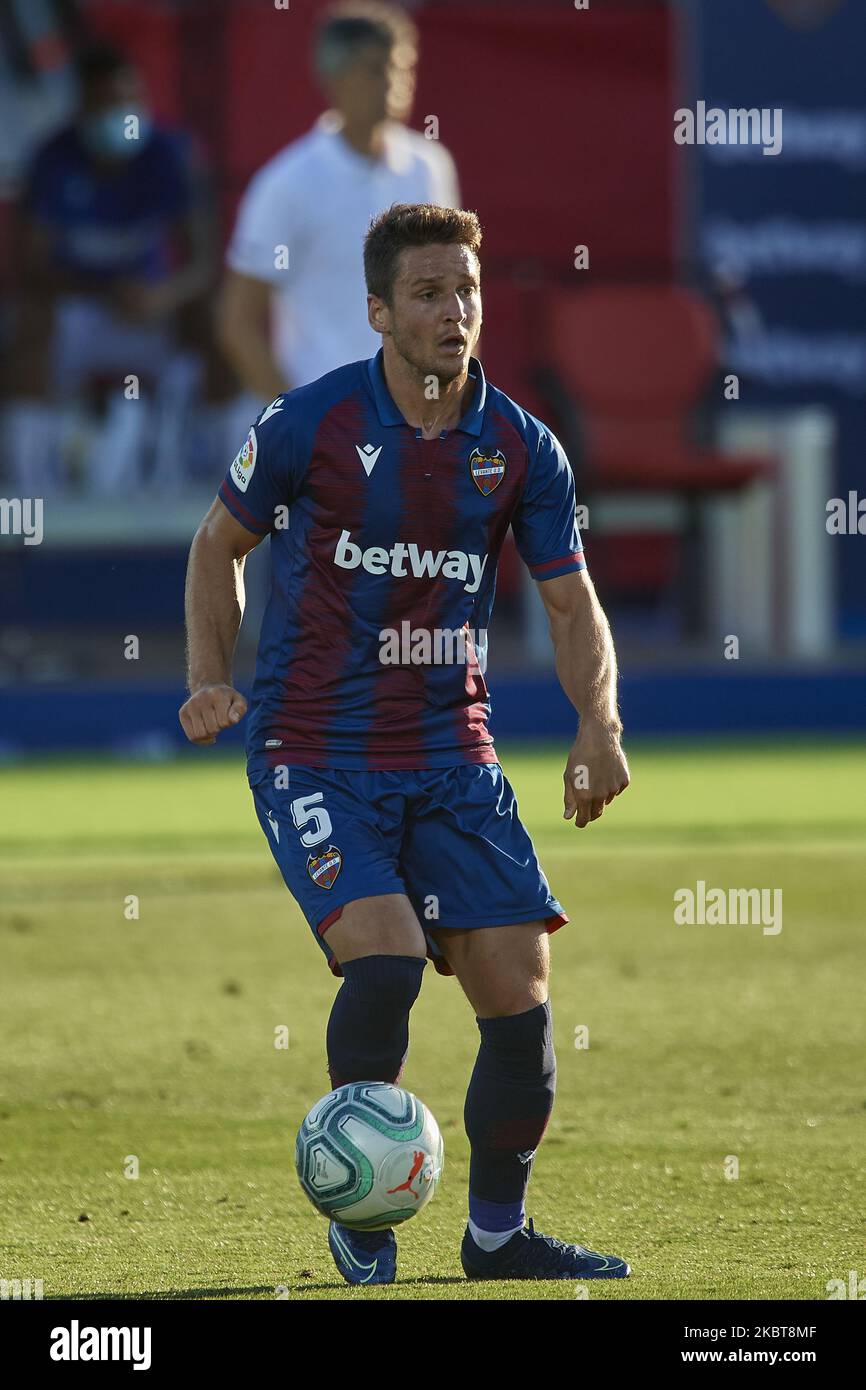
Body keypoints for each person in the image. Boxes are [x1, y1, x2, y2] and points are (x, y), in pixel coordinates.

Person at [180, 203, 631, 1285]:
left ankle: (495, 1237)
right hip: (313, 749)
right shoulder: (310, 423)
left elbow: (570, 606)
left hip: (450, 754)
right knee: (383, 962)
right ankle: (363, 1218)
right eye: (428, 295)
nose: (453, 313)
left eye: (465, 292)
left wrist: (596, 723)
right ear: (378, 310)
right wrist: (205, 676)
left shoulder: (520, 445)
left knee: (520, 1003)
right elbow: (217, 544)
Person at [4, 40, 231, 492]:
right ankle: (32, 491)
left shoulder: (171, 155)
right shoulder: (52, 159)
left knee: (217, 320)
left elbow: (204, 263)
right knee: (26, 321)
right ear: (82, 110)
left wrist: (163, 295)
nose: (121, 115)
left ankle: (228, 479)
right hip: (79, 313)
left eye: (129, 101)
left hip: (150, 311)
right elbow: (30, 269)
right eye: (107, 104)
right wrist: (104, 294)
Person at [218, 1, 459, 399]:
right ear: (335, 77)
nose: (394, 81)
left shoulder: (430, 167)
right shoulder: (285, 184)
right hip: (328, 432)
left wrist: (452, 404)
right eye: (375, 68)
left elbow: (459, 295)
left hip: (420, 427)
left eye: (403, 66)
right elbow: (237, 323)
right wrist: (302, 425)